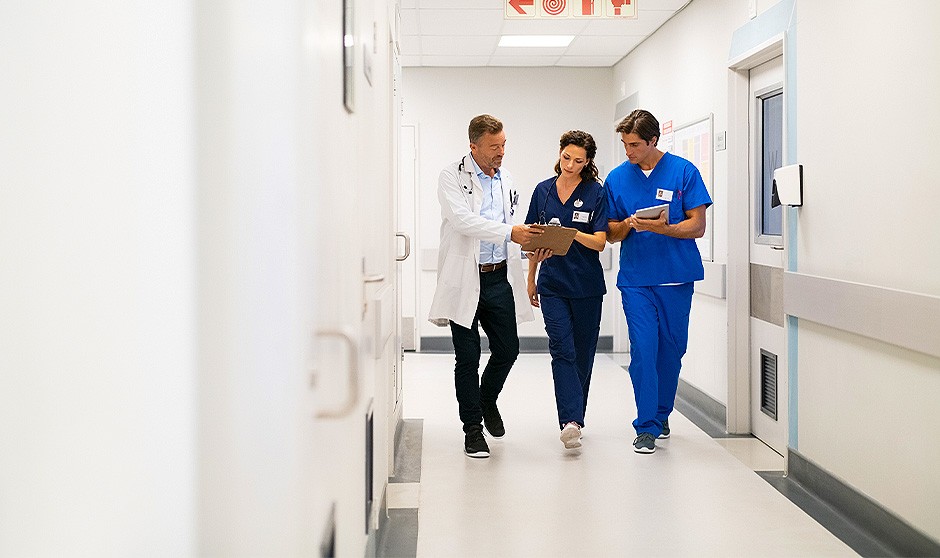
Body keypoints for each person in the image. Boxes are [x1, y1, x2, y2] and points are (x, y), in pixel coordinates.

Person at [428, 114, 543, 459]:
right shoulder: (451, 176)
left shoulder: (505, 178)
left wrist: (530, 241)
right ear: (473, 146)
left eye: (504, 145)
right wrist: (512, 233)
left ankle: (486, 398)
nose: (501, 152)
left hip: (498, 277)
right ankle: (473, 430)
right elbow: (463, 221)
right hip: (466, 278)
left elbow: (508, 223)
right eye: (494, 147)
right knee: (468, 357)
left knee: (508, 350)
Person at [604, 109, 712, 454]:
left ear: (653, 140)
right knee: (643, 350)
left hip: (677, 279)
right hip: (636, 280)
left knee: (672, 351)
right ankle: (646, 426)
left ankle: (662, 413)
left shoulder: (684, 171)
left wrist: (663, 227)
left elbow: (697, 225)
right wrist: (630, 225)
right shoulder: (617, 178)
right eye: (624, 144)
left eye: (634, 144)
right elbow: (610, 232)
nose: (628, 151)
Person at [524, 130, 608, 450]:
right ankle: (570, 421)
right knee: (562, 348)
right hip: (553, 284)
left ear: (588, 163)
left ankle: (575, 416)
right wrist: (531, 277)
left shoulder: (595, 193)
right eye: (566, 158)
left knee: (583, 355)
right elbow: (532, 239)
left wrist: (570, 234)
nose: (570, 165)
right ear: (559, 152)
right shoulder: (543, 191)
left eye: (578, 161)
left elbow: (599, 241)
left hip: (586, 286)